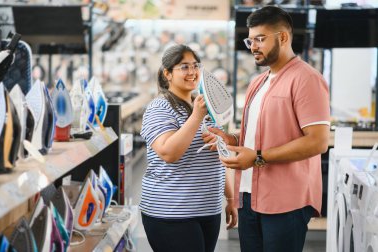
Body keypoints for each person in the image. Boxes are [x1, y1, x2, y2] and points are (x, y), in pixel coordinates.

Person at [203, 6, 330, 252]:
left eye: (260, 39)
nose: (253, 46)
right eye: (250, 40)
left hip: (286, 201)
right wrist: (231, 138)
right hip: (249, 197)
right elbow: (258, 134)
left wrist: (259, 158)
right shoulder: (258, 82)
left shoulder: (306, 79)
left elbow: (318, 141)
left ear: (283, 37)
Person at [140, 44, 237, 252]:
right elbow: (169, 153)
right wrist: (196, 116)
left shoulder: (204, 106)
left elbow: (220, 155)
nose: (192, 72)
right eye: (184, 67)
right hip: (171, 213)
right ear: (167, 74)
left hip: (207, 209)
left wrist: (230, 198)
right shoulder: (160, 107)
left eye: (195, 66)